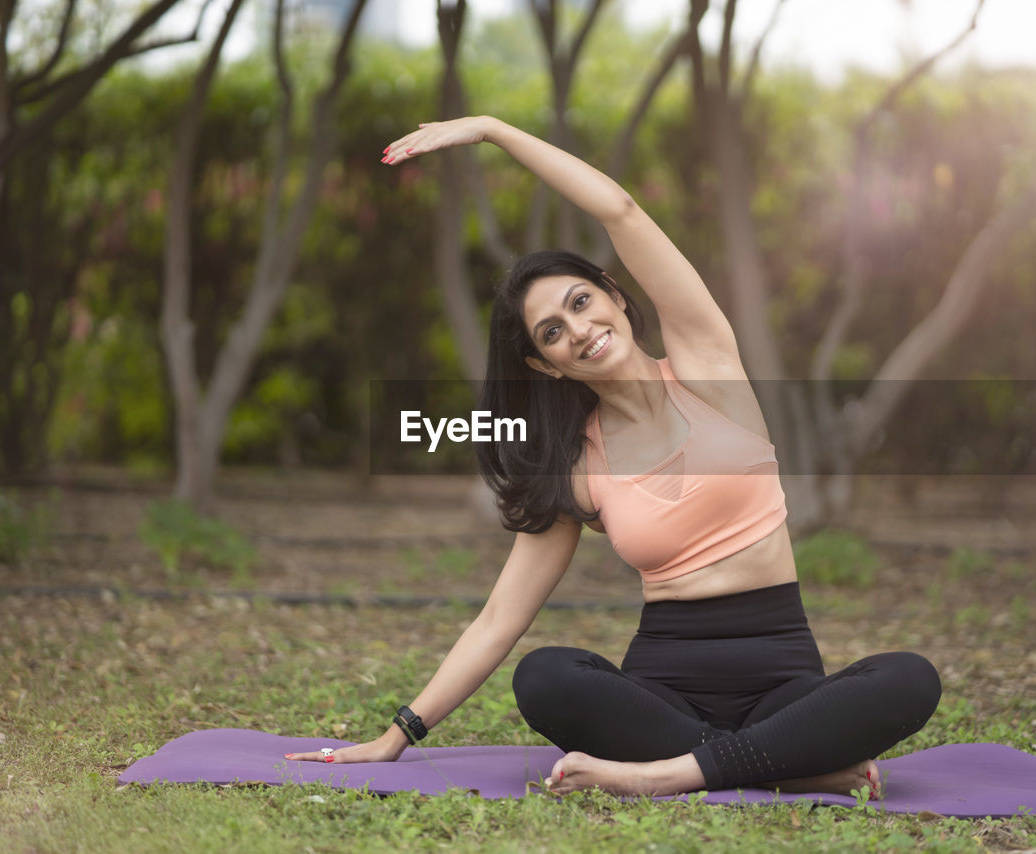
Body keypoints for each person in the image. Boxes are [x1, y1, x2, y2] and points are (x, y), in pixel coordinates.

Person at [285, 115, 941, 798]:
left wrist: (494, 131)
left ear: (616, 296)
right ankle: (783, 766)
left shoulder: (708, 367)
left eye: (581, 301)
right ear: (546, 366)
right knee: (544, 675)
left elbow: (620, 210)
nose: (580, 329)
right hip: (661, 699)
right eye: (553, 331)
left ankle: (668, 776)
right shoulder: (576, 468)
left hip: (782, 682)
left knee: (909, 678)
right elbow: (501, 617)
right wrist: (398, 736)